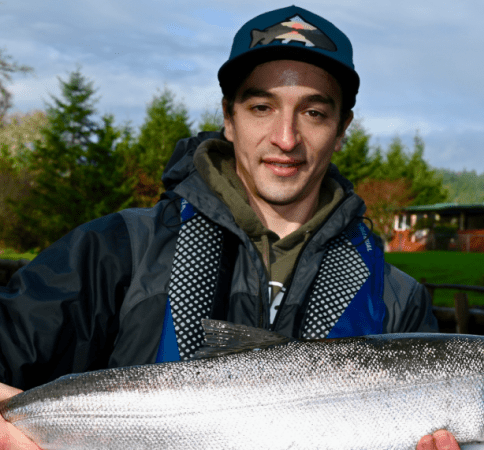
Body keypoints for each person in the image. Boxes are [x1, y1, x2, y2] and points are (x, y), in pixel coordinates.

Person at [0, 6, 456, 450]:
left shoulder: (399, 303)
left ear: (341, 130)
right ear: (229, 117)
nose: (286, 138)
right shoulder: (114, 251)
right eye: (262, 107)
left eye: (314, 113)